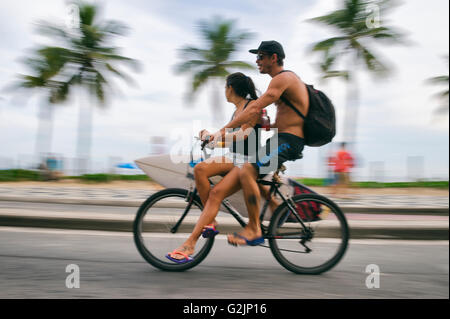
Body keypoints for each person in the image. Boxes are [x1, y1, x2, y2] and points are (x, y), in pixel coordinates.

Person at [166, 72, 278, 262]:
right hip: (234, 157)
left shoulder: (252, 106)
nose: (224, 92)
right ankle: (209, 221)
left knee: (213, 188)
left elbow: (244, 135)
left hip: (246, 161)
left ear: (230, 89)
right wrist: (211, 140)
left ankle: (191, 242)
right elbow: (232, 142)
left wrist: (215, 137)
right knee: (201, 170)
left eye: (225, 87)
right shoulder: (237, 110)